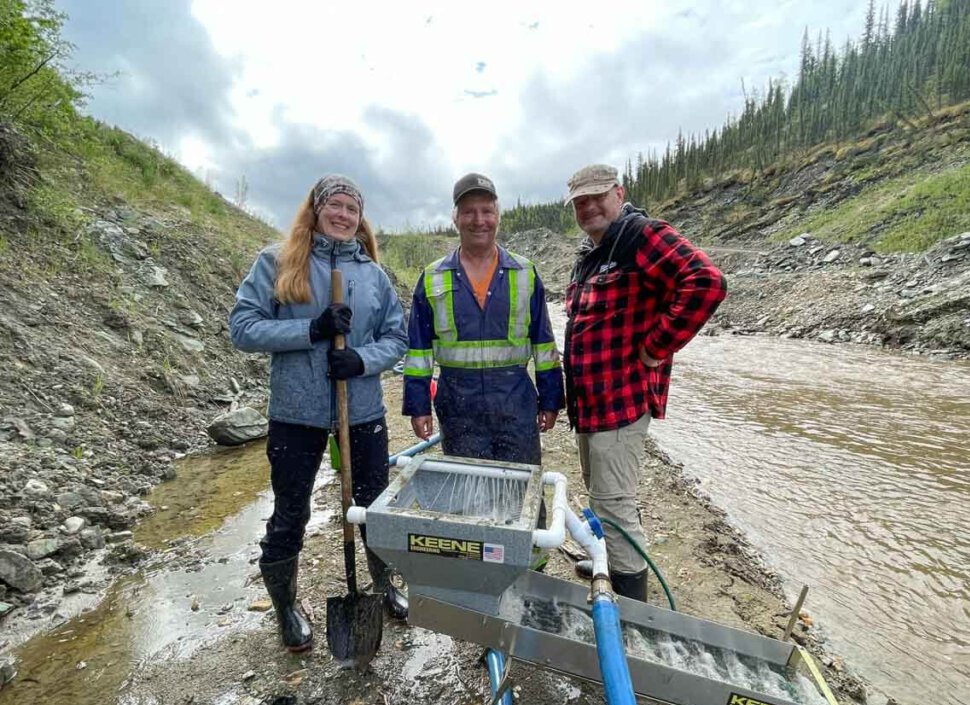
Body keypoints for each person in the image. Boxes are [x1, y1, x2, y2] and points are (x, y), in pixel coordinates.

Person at [229, 174, 409, 652]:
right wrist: (311, 329)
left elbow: (397, 338)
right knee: (291, 512)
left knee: (374, 506)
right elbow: (243, 328)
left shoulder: (372, 274)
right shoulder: (276, 261)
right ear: (316, 209)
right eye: (336, 206)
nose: (345, 215)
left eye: (353, 208)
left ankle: (383, 583)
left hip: (362, 410)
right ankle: (286, 607)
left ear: (360, 217)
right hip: (296, 413)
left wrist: (362, 360)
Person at [563, 164, 727, 602]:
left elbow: (706, 283)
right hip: (593, 406)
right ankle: (612, 563)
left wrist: (657, 347)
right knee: (604, 496)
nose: (589, 207)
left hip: (620, 402)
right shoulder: (595, 251)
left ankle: (631, 603)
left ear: (619, 193)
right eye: (581, 201)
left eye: (598, 196)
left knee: (613, 503)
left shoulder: (642, 235)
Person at [402, 173, 564, 494]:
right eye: (469, 212)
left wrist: (551, 398)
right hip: (458, 404)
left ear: (498, 216)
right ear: (455, 218)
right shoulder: (432, 277)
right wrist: (418, 405)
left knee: (522, 492)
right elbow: (418, 351)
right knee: (470, 493)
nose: (479, 220)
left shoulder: (525, 272)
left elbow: (544, 344)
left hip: (515, 401)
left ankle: (527, 546)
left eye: (487, 211)